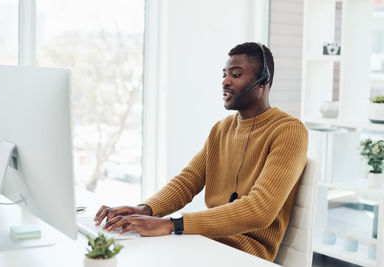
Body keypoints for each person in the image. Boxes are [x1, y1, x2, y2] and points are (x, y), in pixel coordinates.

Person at [94, 42, 308, 262]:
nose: (225, 81)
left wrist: (171, 225)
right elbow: (187, 182)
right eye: (224, 74)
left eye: (236, 74)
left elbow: (260, 209)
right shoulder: (221, 129)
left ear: (263, 81)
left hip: (245, 255)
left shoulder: (289, 131)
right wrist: (145, 209)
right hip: (206, 243)